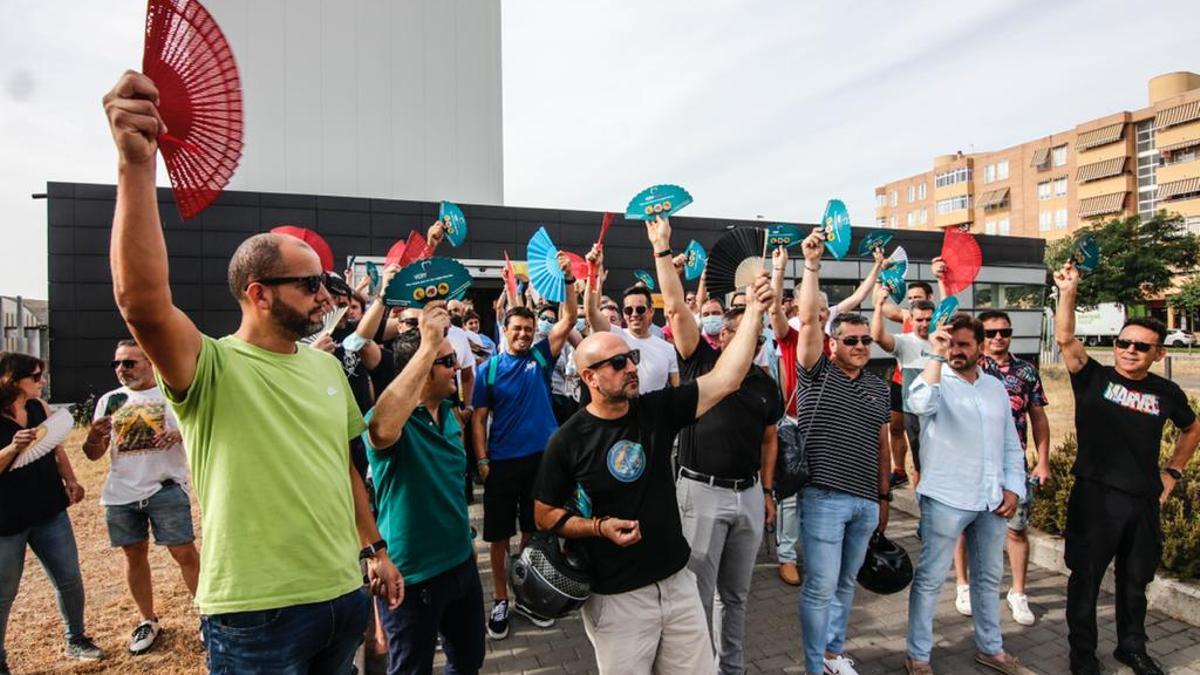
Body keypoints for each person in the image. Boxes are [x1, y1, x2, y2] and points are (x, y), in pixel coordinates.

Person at [103, 71, 401, 673]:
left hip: (342, 595)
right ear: (259, 294)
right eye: (311, 283)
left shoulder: (322, 368)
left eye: (327, 282)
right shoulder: (210, 369)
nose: (326, 295)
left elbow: (342, 468)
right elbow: (142, 302)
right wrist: (136, 167)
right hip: (256, 616)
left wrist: (374, 549)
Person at [533, 247, 773, 675]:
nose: (632, 368)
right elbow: (544, 513)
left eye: (633, 359)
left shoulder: (654, 410)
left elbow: (726, 378)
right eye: (619, 363)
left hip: (678, 585)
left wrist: (754, 310)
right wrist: (597, 527)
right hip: (618, 600)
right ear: (588, 378)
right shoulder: (567, 440)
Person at [1054, 262, 1200, 675]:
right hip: (1094, 496)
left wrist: (1172, 473)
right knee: (1085, 580)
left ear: (1159, 353)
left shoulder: (1167, 391)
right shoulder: (1092, 377)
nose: (1129, 350)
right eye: (1123, 342)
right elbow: (1065, 338)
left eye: (1140, 346)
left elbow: (1192, 430)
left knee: (1136, 582)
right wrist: (1069, 290)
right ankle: (1082, 656)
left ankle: (1131, 647)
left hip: (1142, 501)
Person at [655, 217, 782, 674]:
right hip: (700, 494)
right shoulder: (701, 364)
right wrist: (661, 250)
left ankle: (732, 667)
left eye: (750, 332)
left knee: (737, 596)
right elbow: (673, 307)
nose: (739, 337)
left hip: (747, 495)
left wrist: (765, 492)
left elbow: (770, 438)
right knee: (695, 594)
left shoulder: (766, 384)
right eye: (727, 330)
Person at [904, 315, 1031, 675]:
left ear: (979, 347)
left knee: (989, 578)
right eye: (950, 343)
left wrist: (1014, 488)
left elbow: (1011, 444)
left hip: (991, 499)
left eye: (963, 344)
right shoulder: (933, 378)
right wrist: (936, 354)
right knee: (930, 579)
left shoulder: (993, 387)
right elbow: (921, 406)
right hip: (946, 497)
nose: (956, 351)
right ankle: (918, 656)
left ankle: (991, 649)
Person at [791, 229, 891, 675]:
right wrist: (812, 265)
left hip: (866, 501)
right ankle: (815, 665)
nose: (858, 347)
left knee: (847, 584)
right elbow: (809, 322)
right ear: (833, 345)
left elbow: (881, 441)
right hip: (824, 497)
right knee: (820, 586)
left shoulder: (877, 384)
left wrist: (883, 497)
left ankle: (833, 654)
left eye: (864, 340)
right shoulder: (815, 374)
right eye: (850, 340)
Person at [365, 306, 486, 675]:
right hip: (413, 579)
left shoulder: (451, 413)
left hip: (462, 565)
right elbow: (380, 428)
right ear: (420, 368)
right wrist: (426, 345)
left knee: (468, 660)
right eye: (446, 360)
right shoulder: (391, 424)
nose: (457, 366)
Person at [471, 254, 577, 639]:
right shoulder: (489, 370)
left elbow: (567, 320)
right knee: (499, 538)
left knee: (533, 534)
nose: (523, 334)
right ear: (505, 328)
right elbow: (479, 419)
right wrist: (483, 461)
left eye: (528, 329)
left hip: (540, 462)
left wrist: (568, 281)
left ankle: (528, 596)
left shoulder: (540, 357)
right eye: (517, 329)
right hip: (501, 465)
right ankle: (500, 599)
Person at [770, 246, 884, 586]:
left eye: (824, 311)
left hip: (827, 426)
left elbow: (860, 295)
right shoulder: (792, 334)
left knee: (821, 494)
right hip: (794, 422)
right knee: (791, 498)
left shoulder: (837, 338)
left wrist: (877, 267)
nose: (820, 316)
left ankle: (818, 555)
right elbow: (774, 309)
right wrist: (780, 269)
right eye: (815, 310)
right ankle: (787, 556)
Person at [82, 340, 199, 654]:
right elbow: (93, 455)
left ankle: (206, 616)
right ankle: (147, 620)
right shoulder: (110, 400)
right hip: (121, 494)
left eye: (129, 363)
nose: (122, 370)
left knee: (184, 554)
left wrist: (179, 434)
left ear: (151, 362)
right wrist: (94, 437)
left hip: (165, 489)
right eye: (117, 364)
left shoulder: (172, 395)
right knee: (134, 556)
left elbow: (199, 431)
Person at [0, 353, 102, 669]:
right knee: (4, 594)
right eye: (35, 376)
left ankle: (76, 639)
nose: (41, 381)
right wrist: (12, 448)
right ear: (12, 381)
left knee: (69, 579)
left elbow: (56, 446)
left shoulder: (38, 408)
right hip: (6, 520)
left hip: (49, 509)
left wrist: (71, 480)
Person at [952, 310, 1050, 625]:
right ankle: (963, 584)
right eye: (992, 333)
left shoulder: (1026, 371)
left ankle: (1018, 593)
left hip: (1011, 462)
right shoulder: (966, 366)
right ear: (981, 339)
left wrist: (1043, 461)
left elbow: (1038, 417)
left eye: (1004, 331)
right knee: (964, 527)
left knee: (1017, 528)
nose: (999, 338)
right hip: (969, 463)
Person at [585, 248, 680, 394]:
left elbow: (676, 389)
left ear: (651, 311)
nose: (634, 314)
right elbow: (591, 312)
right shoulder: (615, 336)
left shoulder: (667, 349)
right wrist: (593, 271)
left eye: (640, 309)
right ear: (624, 314)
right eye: (629, 310)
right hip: (622, 412)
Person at [878, 277, 942, 488]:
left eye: (918, 297)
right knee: (902, 431)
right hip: (905, 385)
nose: (913, 301)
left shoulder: (942, 333)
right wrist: (881, 282)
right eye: (911, 298)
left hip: (934, 393)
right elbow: (881, 318)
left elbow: (949, 307)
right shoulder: (906, 320)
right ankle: (902, 471)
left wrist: (942, 279)